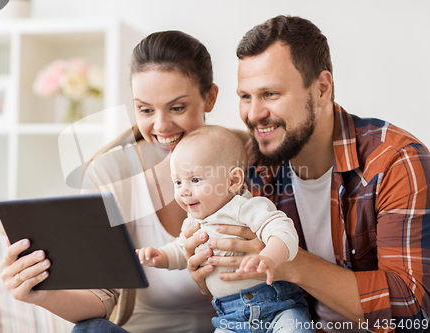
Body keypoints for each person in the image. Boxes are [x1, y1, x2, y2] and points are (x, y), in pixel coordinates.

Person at [184, 15, 430, 333]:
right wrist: (208, 273)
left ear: (322, 90)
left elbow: (413, 314)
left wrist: (293, 263)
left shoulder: (396, 162)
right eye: (245, 96)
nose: (253, 113)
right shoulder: (252, 167)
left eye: (270, 94)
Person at [0, 30, 248, 333]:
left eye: (177, 107)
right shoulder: (112, 173)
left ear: (209, 97)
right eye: (145, 109)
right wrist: (41, 293)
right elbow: (101, 300)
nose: (161, 126)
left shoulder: (246, 157)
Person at [136, 125, 313, 332]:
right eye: (177, 181)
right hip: (231, 317)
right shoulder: (192, 221)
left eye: (195, 180)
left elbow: (282, 230)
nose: (183, 190)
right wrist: (160, 256)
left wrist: (270, 258)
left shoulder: (245, 207)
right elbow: (181, 249)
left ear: (233, 181)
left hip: (278, 307)